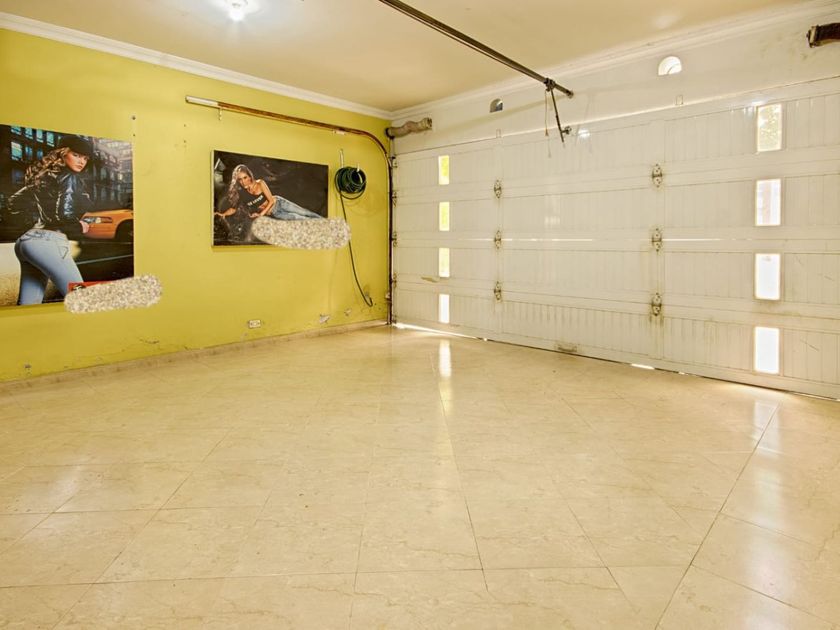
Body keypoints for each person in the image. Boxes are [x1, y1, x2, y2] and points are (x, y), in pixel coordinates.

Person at [8, 135, 93, 305]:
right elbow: (64, 215)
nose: (81, 161)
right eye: (76, 155)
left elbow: (13, 202)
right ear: (62, 153)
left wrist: (35, 221)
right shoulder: (69, 176)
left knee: (28, 306)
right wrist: (79, 226)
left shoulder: (41, 177)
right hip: (49, 243)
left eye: (85, 158)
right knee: (84, 301)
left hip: (27, 242)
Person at [223, 164, 322, 225]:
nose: (243, 181)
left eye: (245, 177)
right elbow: (234, 208)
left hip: (279, 203)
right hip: (275, 213)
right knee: (297, 218)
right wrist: (223, 214)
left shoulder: (260, 183)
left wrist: (260, 214)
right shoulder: (242, 194)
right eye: (240, 179)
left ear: (249, 176)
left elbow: (270, 201)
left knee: (304, 212)